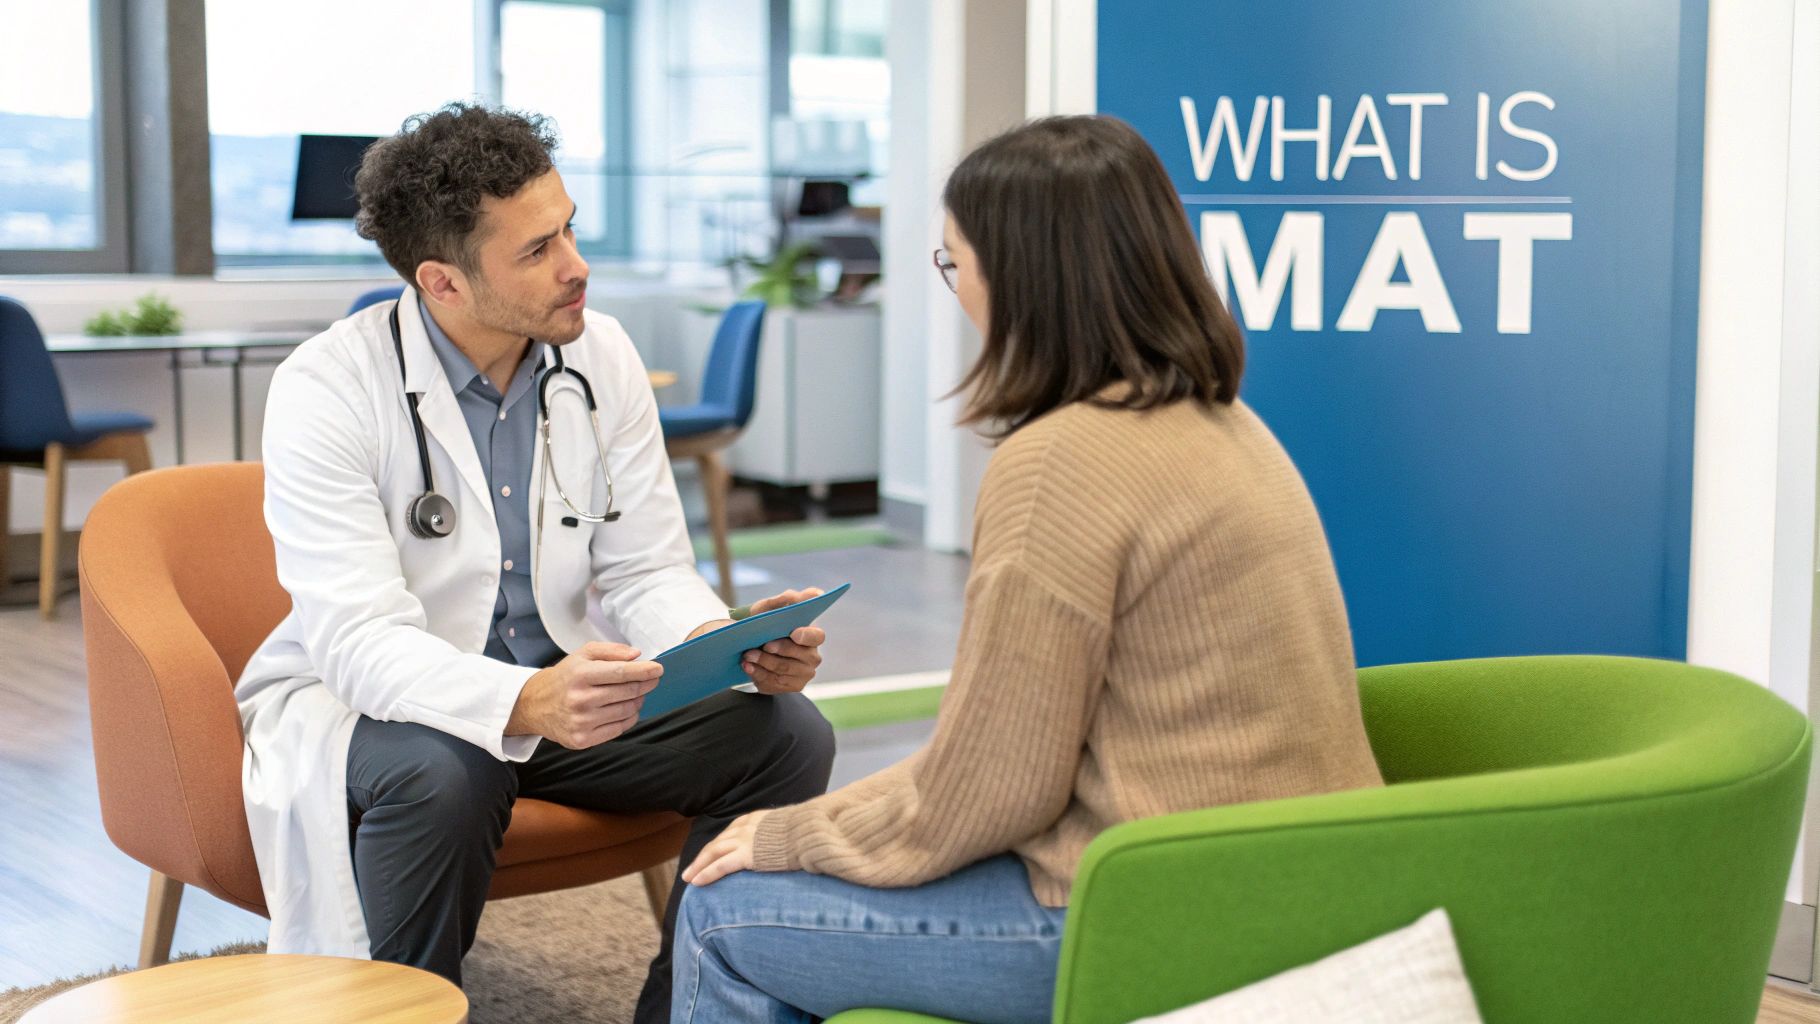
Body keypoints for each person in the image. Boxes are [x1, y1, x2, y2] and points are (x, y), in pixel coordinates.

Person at [670, 114, 1386, 1024]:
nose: (953, 289)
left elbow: (987, 793)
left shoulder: (1062, 461)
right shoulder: (1230, 422)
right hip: (1305, 880)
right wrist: (831, 826)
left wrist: (794, 834)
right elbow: (1000, 756)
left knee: (722, 912)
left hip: (1155, 914)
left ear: (1020, 279)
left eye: (951, 262)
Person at [233, 103, 835, 1023]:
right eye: (536, 250)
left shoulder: (599, 355)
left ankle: (688, 1008)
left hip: (556, 693)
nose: (576, 266)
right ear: (443, 281)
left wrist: (724, 642)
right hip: (377, 710)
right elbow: (357, 645)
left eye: (570, 229)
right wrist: (518, 703)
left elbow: (643, 569)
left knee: (786, 735)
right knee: (451, 771)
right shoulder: (327, 388)